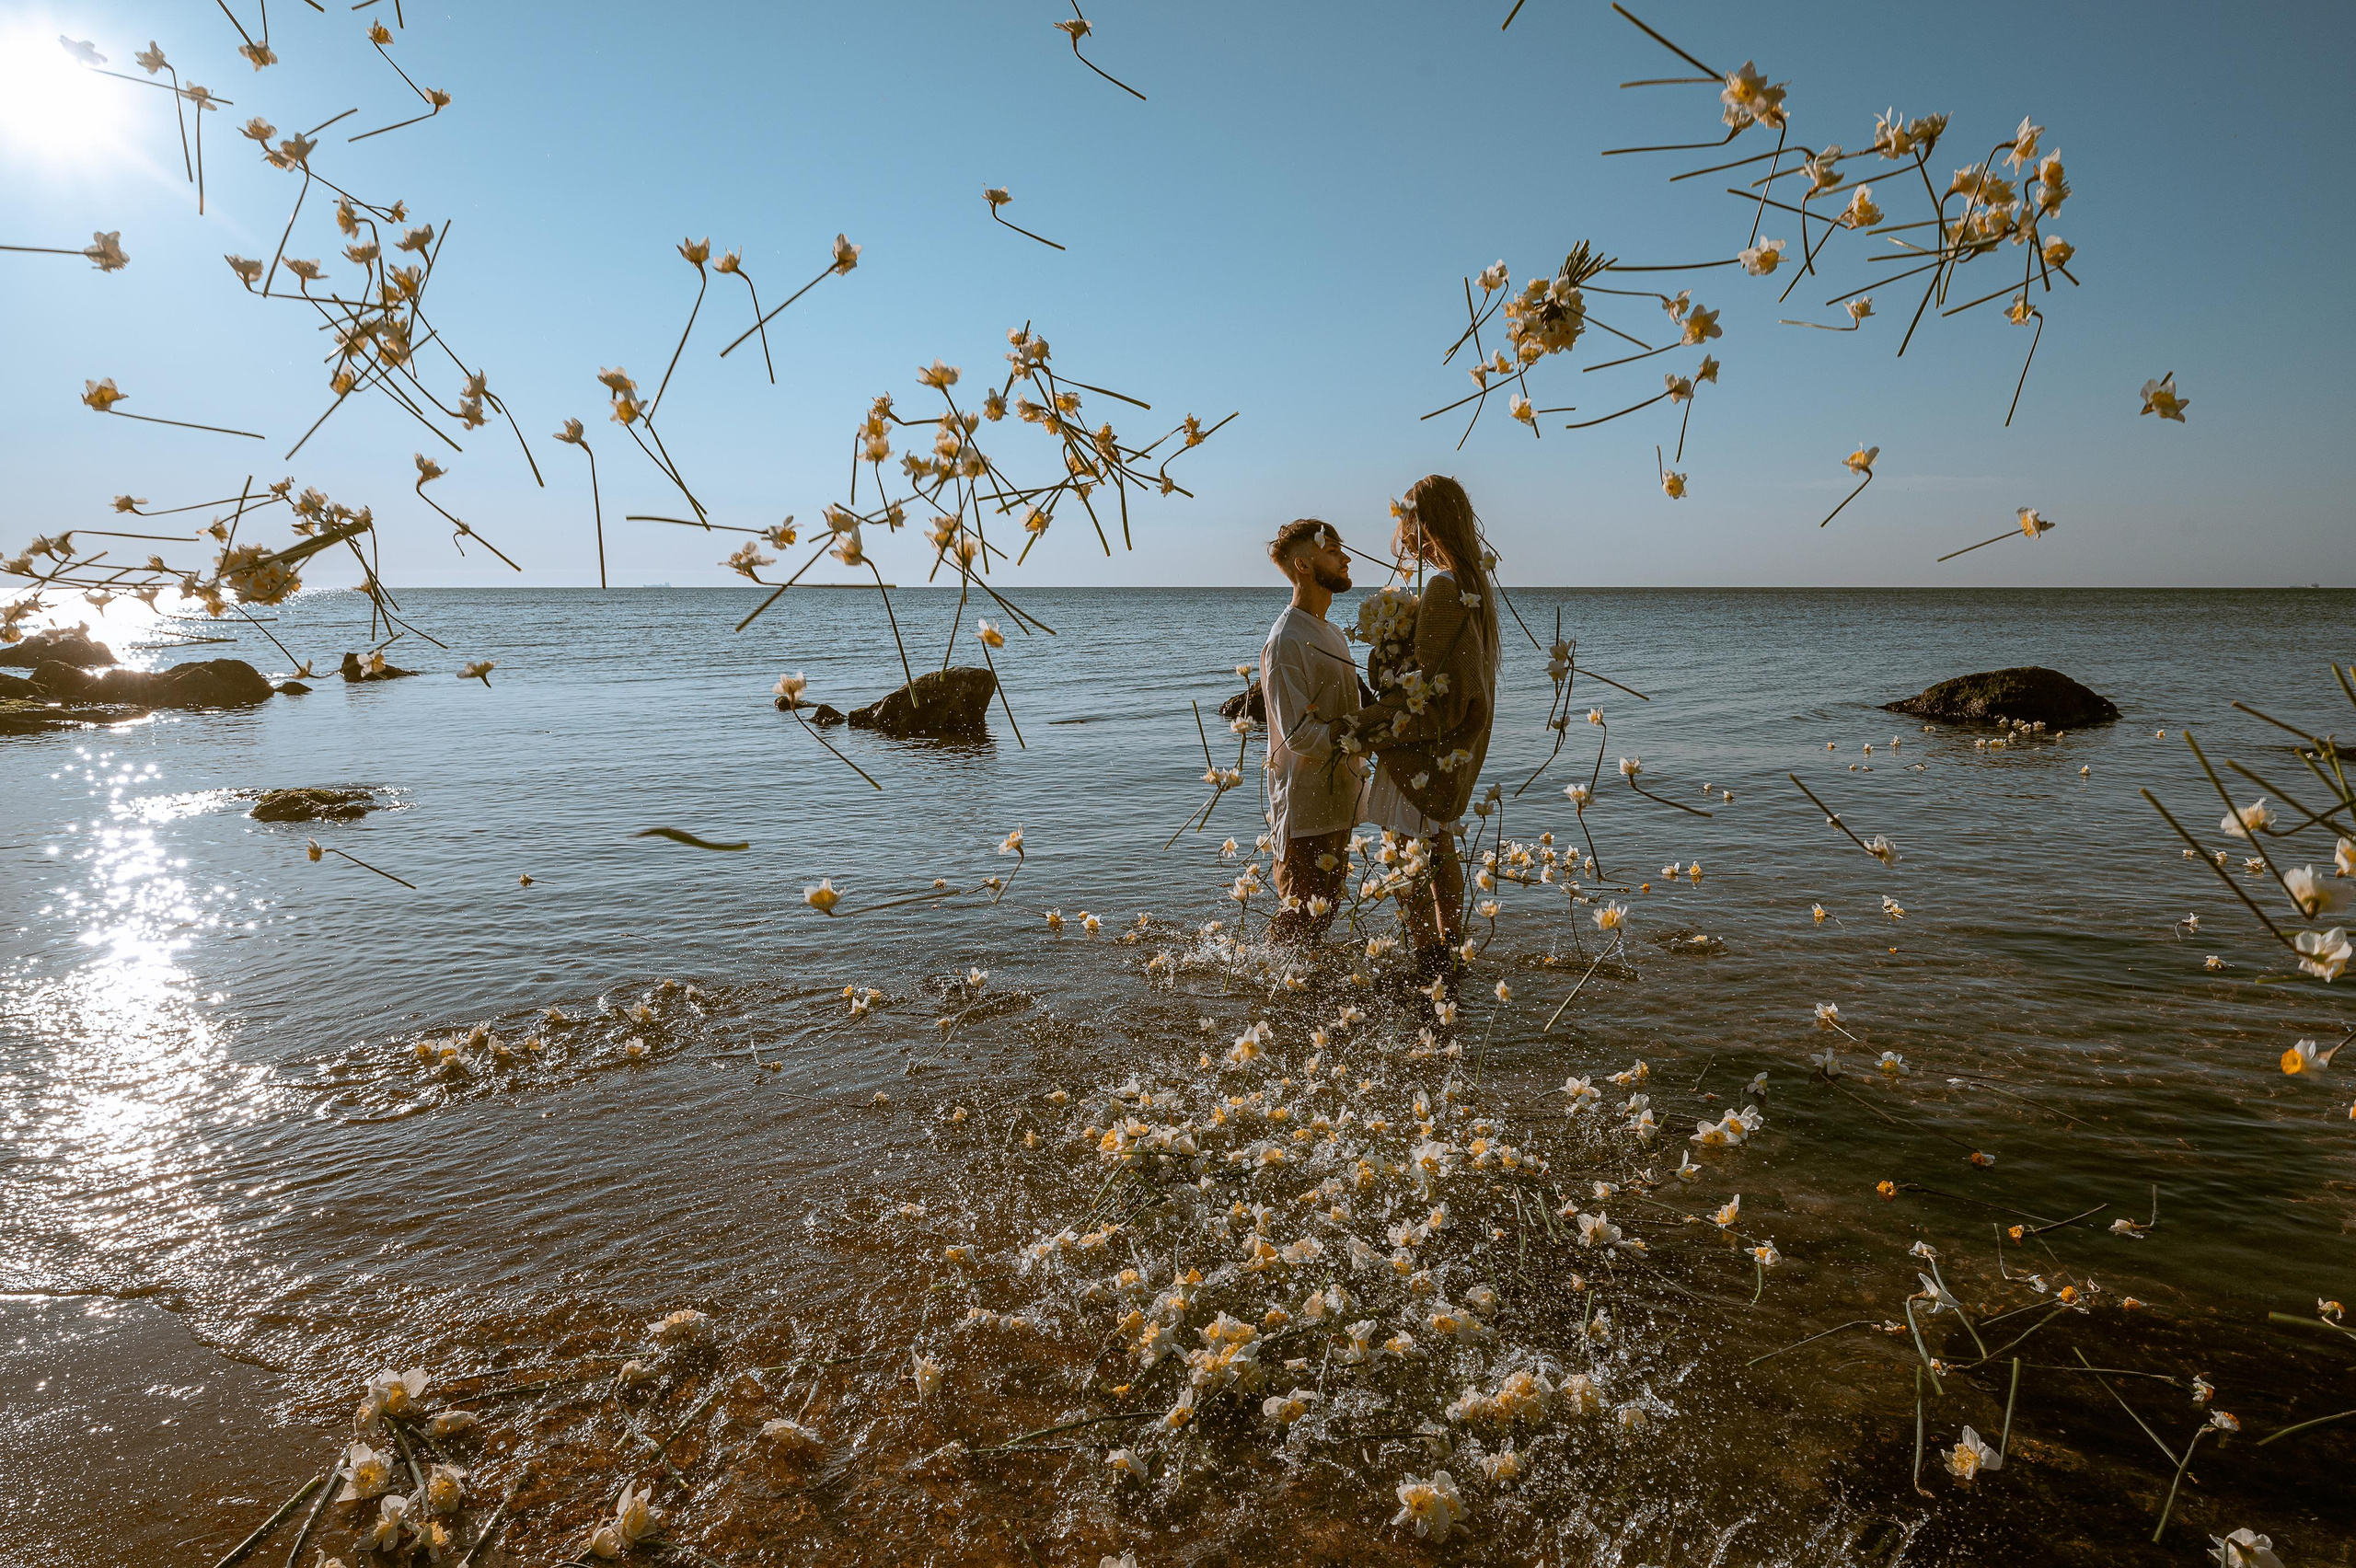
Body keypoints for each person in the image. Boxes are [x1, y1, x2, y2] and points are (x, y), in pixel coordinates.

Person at [1357, 475, 1501, 973]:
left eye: (1409, 521)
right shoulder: (1472, 587)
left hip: (1420, 756)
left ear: (1426, 523)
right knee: (1438, 846)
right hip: (1453, 751)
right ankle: (1449, 951)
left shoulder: (1444, 590)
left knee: (1402, 854)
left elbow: (1436, 696)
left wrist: (1368, 721)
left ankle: (1428, 958)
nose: (1404, 533)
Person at [1259, 518, 1365, 944]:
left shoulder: (1333, 633)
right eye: (1332, 549)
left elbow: (1350, 708)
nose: (1345, 557)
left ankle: (1293, 993)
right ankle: (1259, 991)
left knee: (1321, 917)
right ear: (1304, 564)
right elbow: (1297, 734)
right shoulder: (1285, 640)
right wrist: (1365, 739)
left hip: (1340, 797)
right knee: (1299, 917)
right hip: (1303, 807)